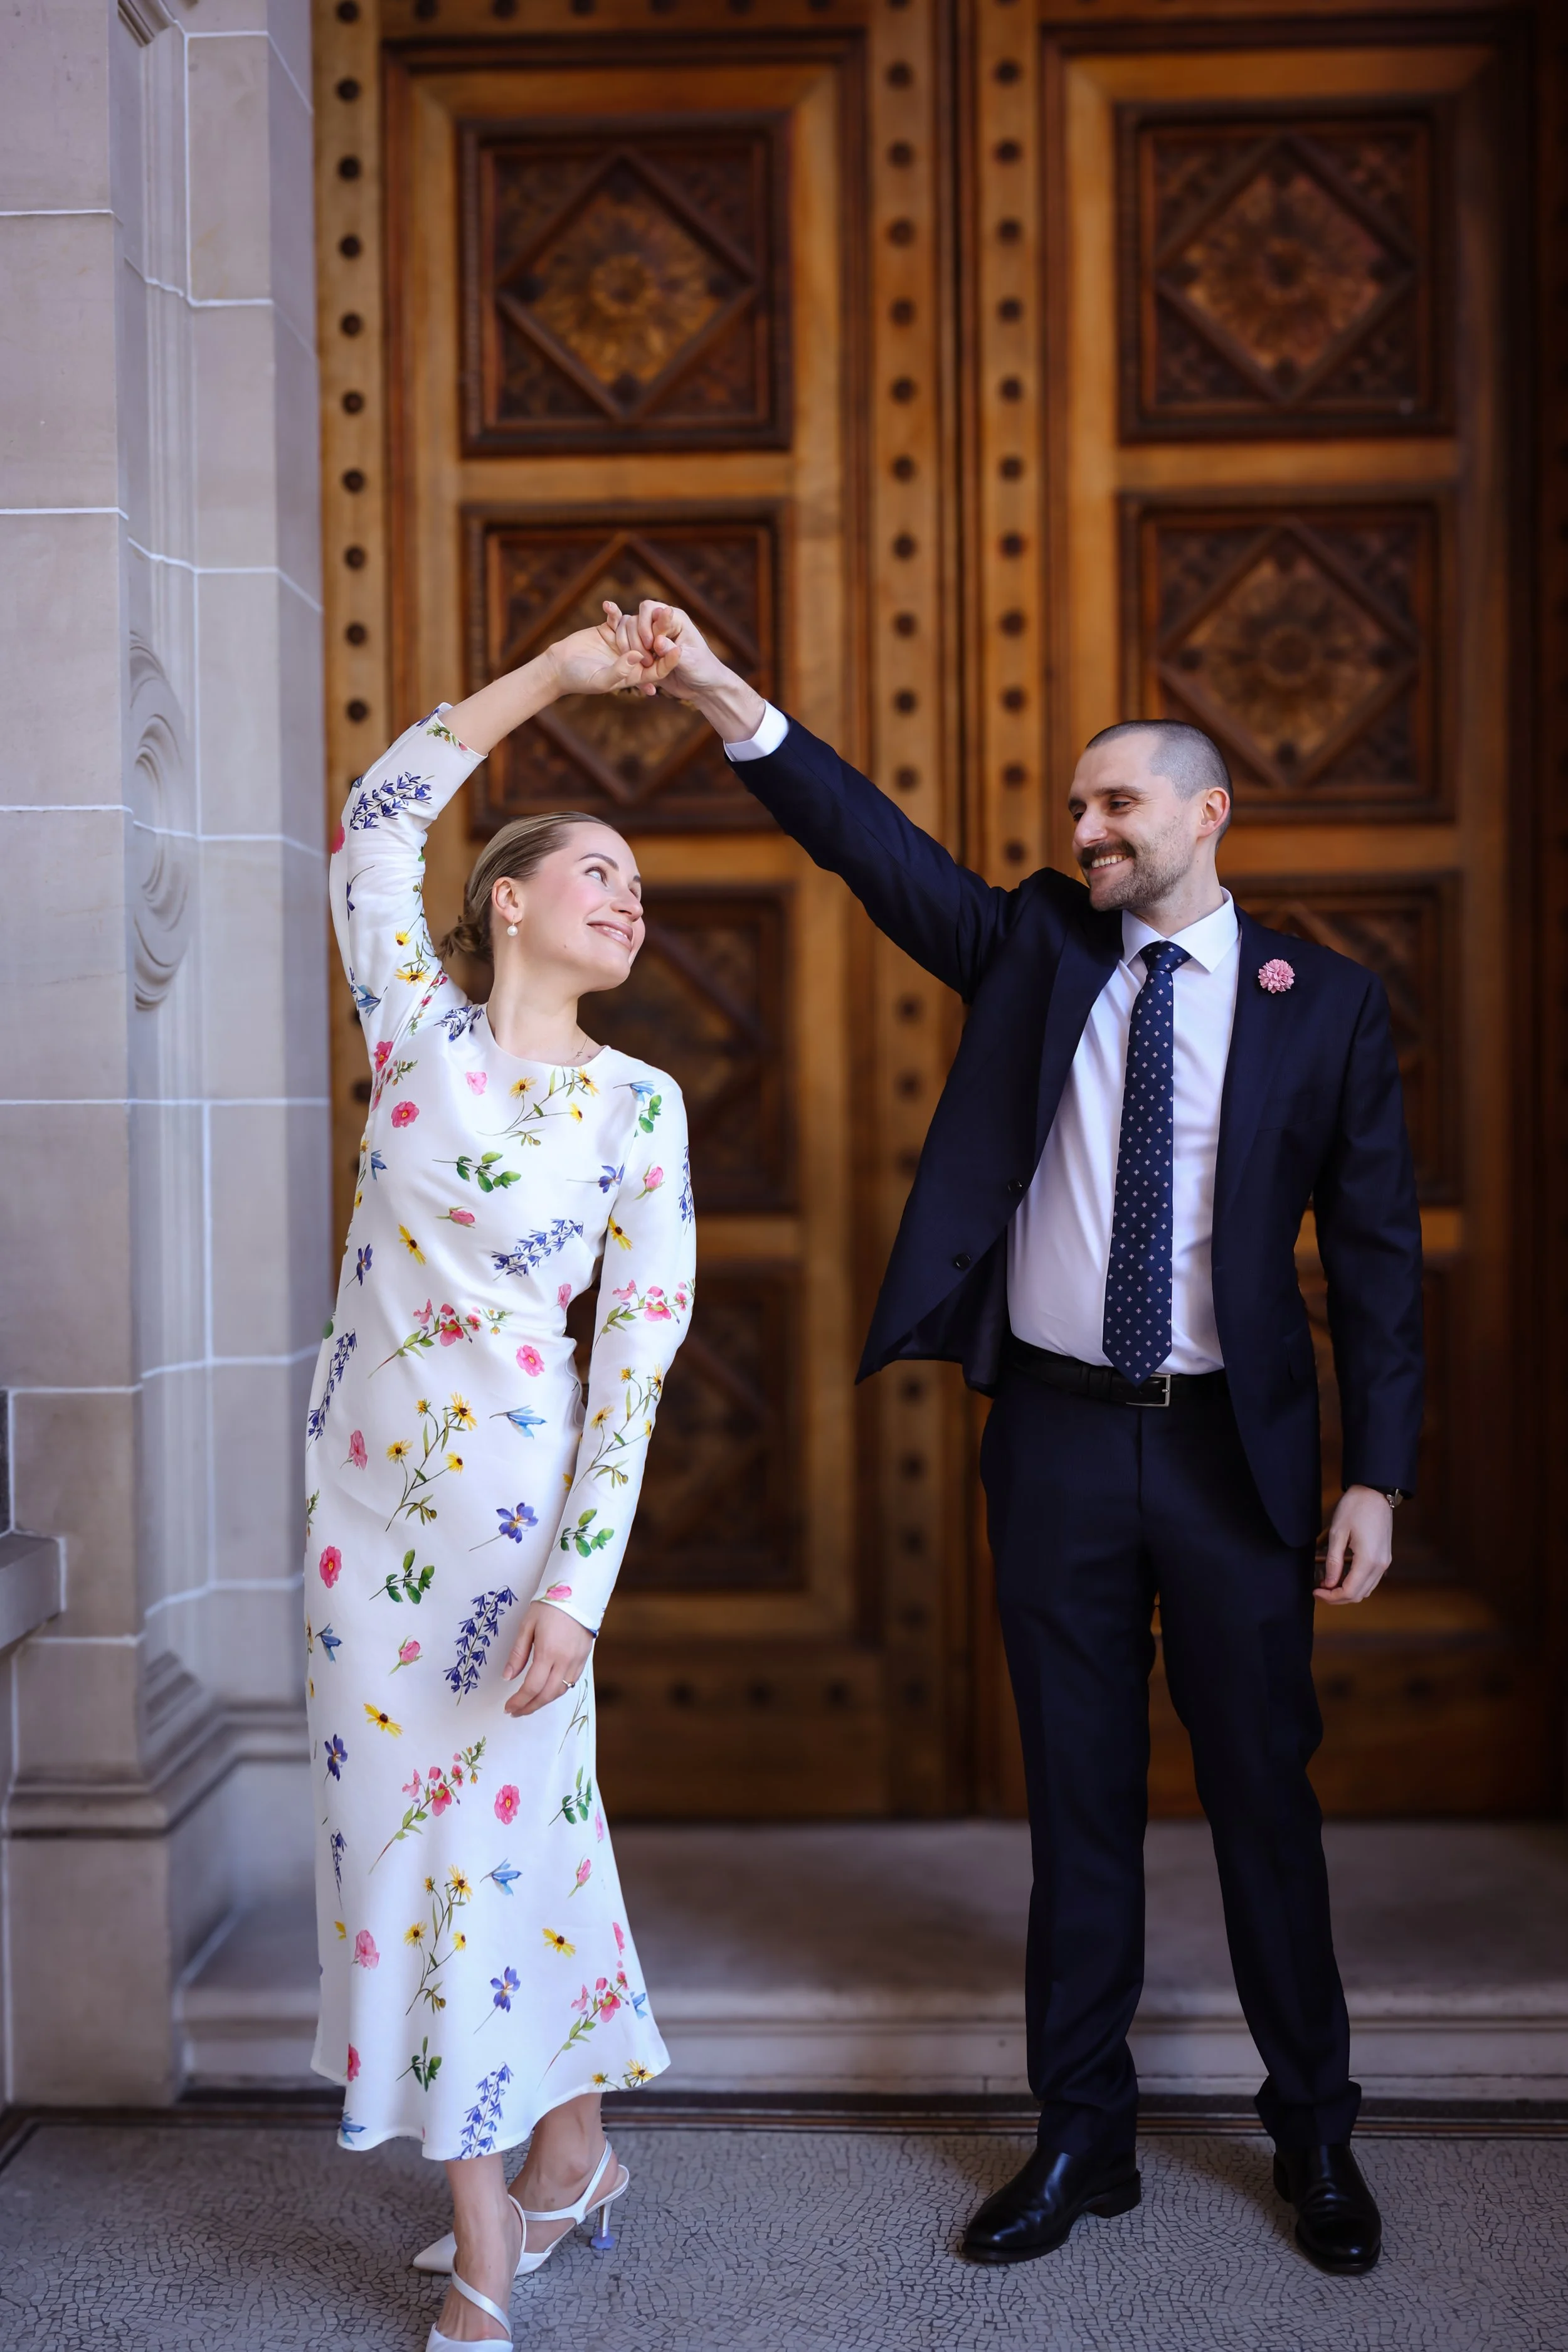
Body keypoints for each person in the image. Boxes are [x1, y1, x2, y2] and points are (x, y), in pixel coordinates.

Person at [606, 596, 1422, 2279]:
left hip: (1231, 1460)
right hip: (1053, 1440)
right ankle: (1081, 2137)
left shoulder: (1319, 1005)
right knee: (1077, 1798)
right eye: (1073, 810)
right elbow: (866, 844)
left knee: (1263, 1796)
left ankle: (1316, 2135)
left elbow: (1374, 1252)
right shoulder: (1041, 945)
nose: (1083, 832)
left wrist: (1375, 1469)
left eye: (1114, 805)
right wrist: (710, 692)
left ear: (1206, 814)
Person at [305, 623, 694, 2348]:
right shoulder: (415, 1027)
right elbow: (378, 819)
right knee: (446, 1859)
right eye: (598, 870)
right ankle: (575, 2153)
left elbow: (640, 1359)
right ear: (513, 900)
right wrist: (553, 677)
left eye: (641, 885)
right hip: (362, 1531)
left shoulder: (640, 1104)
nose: (630, 897)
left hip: (522, 1544)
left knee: (474, 1859)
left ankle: (484, 2248)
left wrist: (579, 1587)